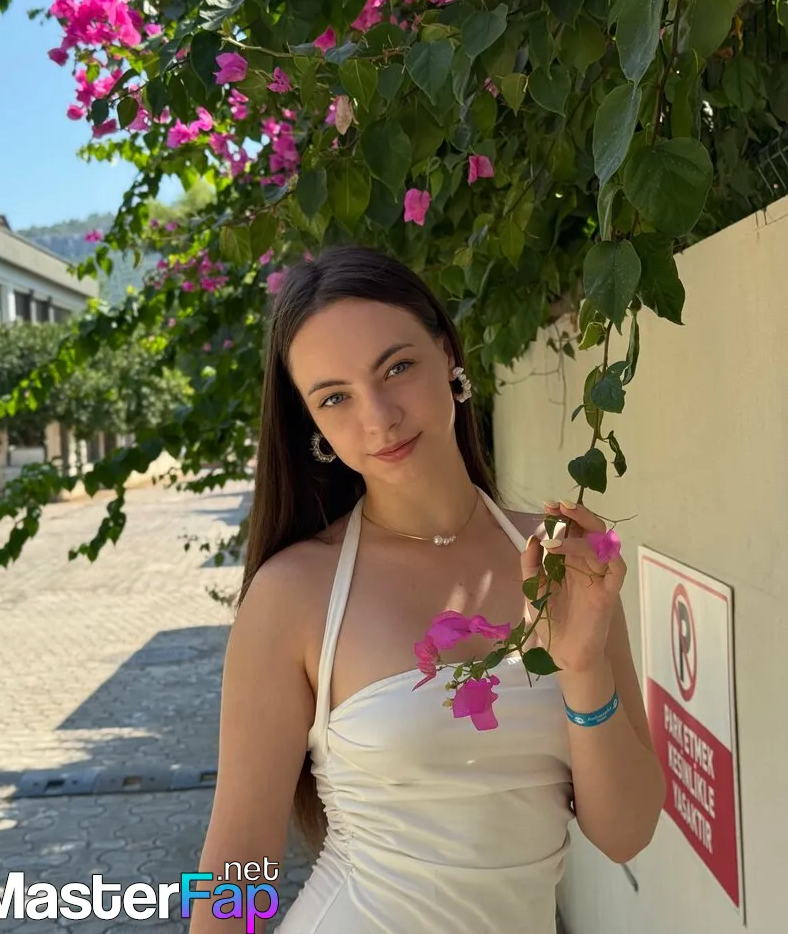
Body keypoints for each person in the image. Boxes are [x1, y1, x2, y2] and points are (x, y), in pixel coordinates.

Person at [189, 245, 666, 934]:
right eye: (335, 398)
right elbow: (237, 862)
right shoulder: (293, 594)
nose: (379, 417)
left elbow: (627, 834)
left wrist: (583, 667)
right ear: (312, 422)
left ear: (447, 355)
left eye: (397, 367)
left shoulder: (564, 563)